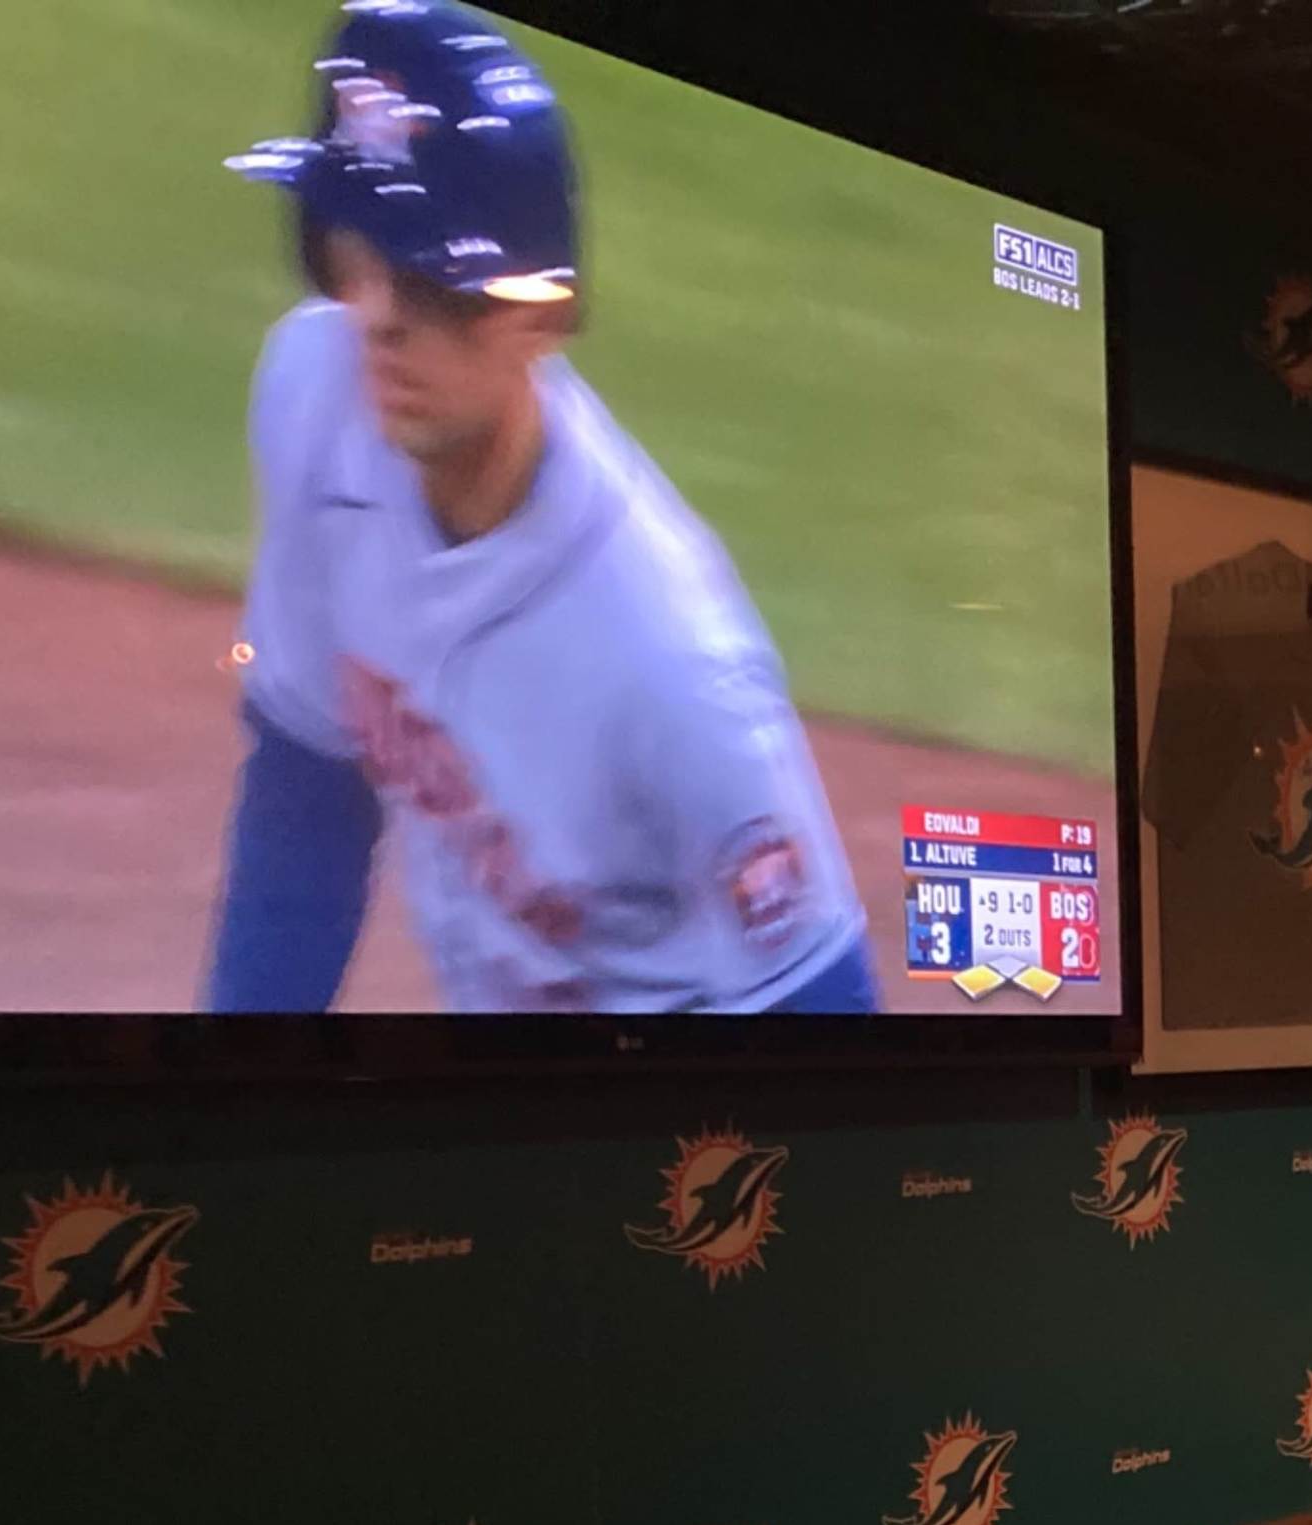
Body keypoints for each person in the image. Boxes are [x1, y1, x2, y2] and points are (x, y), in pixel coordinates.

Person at [208, 1, 869, 1014]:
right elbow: (308, 796)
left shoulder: (671, 664)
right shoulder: (312, 387)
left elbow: (827, 1024)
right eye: (358, 256)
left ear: (544, 319)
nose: (380, 318)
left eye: (434, 280)